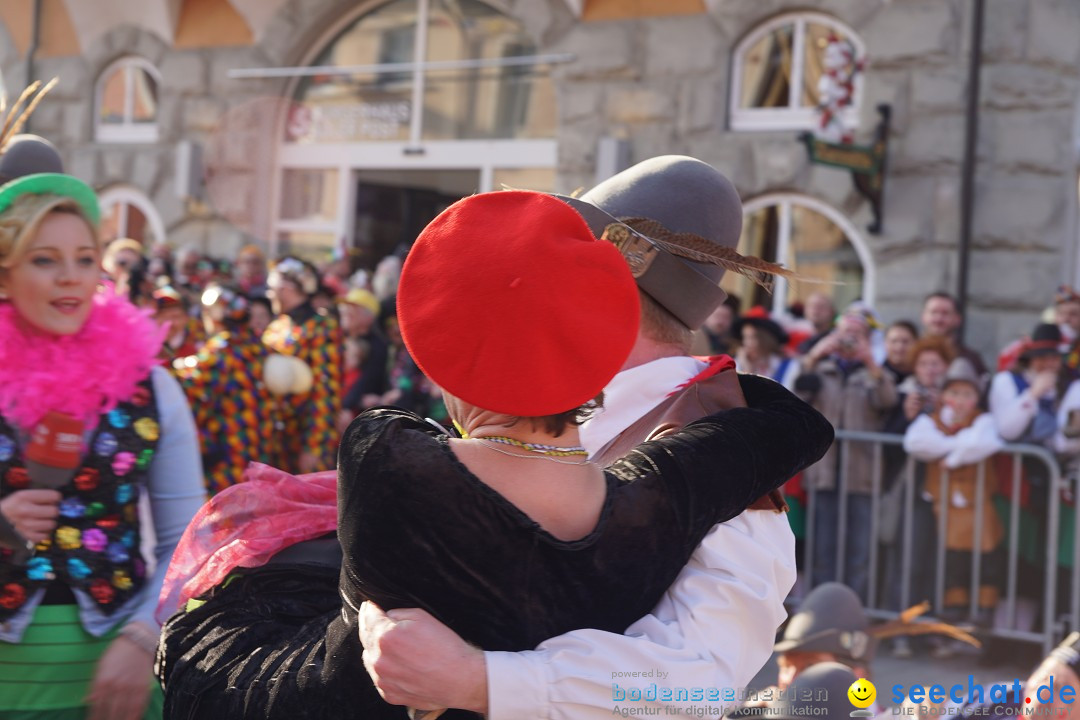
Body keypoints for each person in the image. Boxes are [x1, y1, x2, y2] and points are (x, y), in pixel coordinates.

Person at [156, 189, 833, 719]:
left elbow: (701, 687)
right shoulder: (561, 406)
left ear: (609, 300)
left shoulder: (723, 445)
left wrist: (485, 681)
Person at [359, 155, 800, 718]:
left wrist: (480, 681)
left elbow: (700, 681)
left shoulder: (731, 459)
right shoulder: (543, 401)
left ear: (609, 284)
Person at [0, 172, 205, 719]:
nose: (70, 278)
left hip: (116, 677)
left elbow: (189, 542)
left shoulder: (152, 386)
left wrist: (144, 637)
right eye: (45, 260)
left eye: (86, 258)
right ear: (5, 273)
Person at [797, 308, 898, 600]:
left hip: (862, 475)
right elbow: (796, 397)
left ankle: (853, 615)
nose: (850, 340)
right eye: (845, 333)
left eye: (858, 335)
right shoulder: (820, 368)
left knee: (859, 552)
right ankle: (817, 611)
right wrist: (813, 357)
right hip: (824, 471)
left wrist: (870, 363)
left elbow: (887, 401)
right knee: (822, 548)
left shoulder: (875, 373)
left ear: (868, 339)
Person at [905, 358, 1004, 631]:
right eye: (954, 393)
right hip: (945, 507)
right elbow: (916, 442)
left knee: (984, 561)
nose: (960, 401)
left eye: (967, 394)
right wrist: (956, 447)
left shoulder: (983, 420)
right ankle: (951, 619)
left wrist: (953, 456)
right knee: (951, 564)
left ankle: (981, 616)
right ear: (944, 395)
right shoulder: (932, 420)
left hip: (977, 506)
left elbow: (985, 442)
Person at [172, 284, 284, 495]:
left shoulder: (216, 354)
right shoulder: (265, 351)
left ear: (213, 316)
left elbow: (191, 407)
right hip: (263, 465)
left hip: (225, 469)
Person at [262, 256, 342, 473]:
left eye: (272, 288)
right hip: (276, 438)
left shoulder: (321, 327)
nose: (269, 294)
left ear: (286, 288)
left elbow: (325, 390)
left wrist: (314, 447)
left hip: (303, 437)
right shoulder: (277, 326)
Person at [921, 291, 988, 377]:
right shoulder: (908, 355)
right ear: (923, 317)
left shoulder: (970, 359)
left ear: (957, 319)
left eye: (945, 313)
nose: (938, 319)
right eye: (933, 312)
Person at [733, 306, 799, 389]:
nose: (747, 343)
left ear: (766, 341)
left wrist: (749, 373)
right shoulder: (738, 364)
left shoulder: (788, 366)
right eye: (745, 337)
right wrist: (747, 368)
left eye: (752, 338)